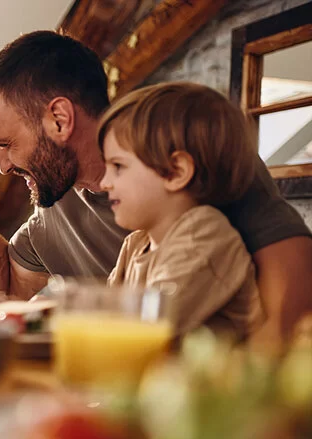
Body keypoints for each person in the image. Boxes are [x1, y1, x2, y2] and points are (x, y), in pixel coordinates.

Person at [0, 30, 312, 339]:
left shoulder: (194, 165)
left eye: (6, 145)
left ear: (59, 119)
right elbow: (5, 291)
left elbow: (291, 293)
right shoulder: (61, 204)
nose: (2, 166)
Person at [100, 82, 263, 338]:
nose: (104, 182)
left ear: (176, 172)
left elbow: (143, 333)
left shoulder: (203, 235)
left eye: (118, 166)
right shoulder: (136, 243)